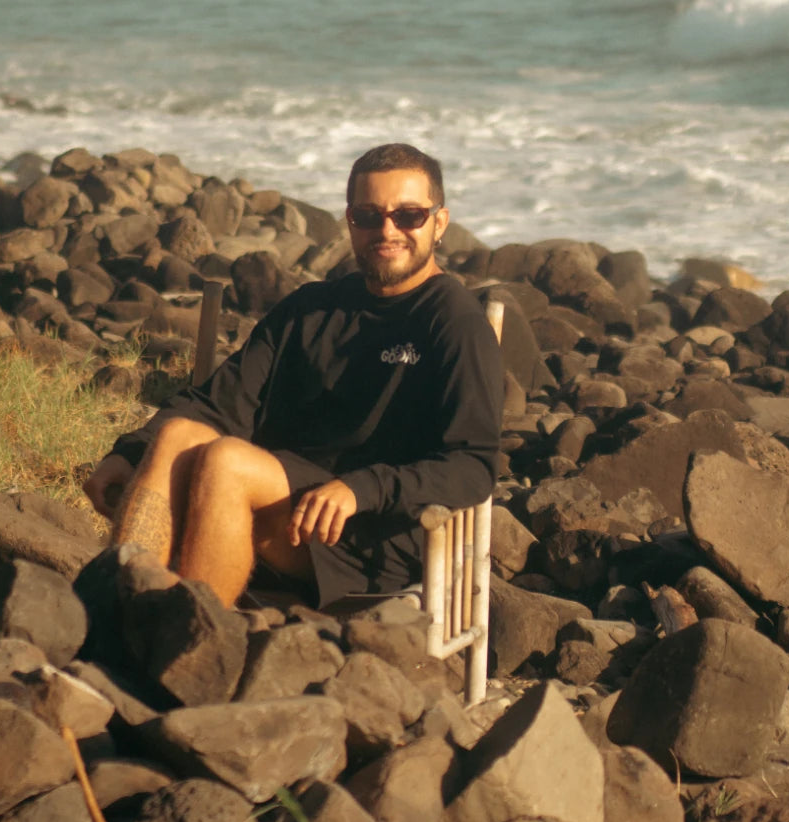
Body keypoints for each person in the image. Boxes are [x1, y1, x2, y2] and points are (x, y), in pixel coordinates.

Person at [83, 142, 504, 610]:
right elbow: (216, 403)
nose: (387, 230)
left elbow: (473, 465)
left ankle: (191, 637)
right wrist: (128, 452)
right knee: (177, 434)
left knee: (226, 461)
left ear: (439, 223)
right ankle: (121, 609)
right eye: (368, 216)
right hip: (284, 513)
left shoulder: (454, 323)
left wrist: (362, 488)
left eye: (408, 216)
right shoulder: (311, 309)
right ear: (349, 221)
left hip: (373, 536)